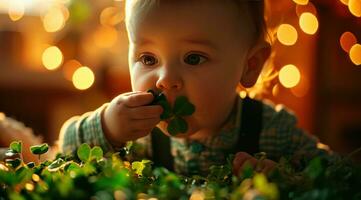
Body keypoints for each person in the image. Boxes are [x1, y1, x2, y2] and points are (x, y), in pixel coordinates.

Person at [59, 0, 332, 176]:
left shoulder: (271, 130)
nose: (165, 79)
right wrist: (107, 128)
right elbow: (63, 152)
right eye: (148, 59)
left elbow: (340, 177)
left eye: (193, 58)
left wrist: (287, 180)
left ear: (250, 65)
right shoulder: (134, 131)